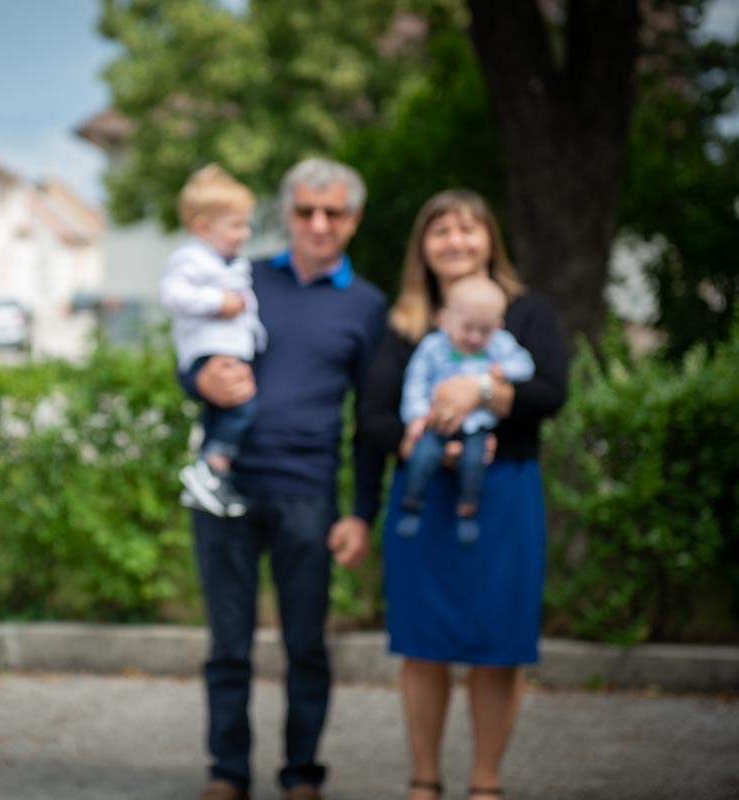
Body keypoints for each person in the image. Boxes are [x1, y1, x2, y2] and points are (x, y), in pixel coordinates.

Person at [353, 189, 568, 799]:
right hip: (424, 498)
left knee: (498, 643)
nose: (455, 241)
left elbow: (550, 391)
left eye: (468, 230)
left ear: (489, 240)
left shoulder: (526, 313)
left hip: (503, 496)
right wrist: (427, 443)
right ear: (423, 245)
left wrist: (481, 392)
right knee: (422, 643)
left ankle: (485, 783)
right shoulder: (404, 323)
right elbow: (371, 419)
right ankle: (424, 779)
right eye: (441, 231)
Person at [183, 158, 386, 800]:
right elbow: (193, 353)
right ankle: (228, 772)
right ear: (287, 214)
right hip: (227, 487)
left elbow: (372, 419)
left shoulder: (367, 304)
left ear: (353, 220)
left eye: (333, 213)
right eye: (305, 211)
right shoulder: (242, 278)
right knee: (228, 645)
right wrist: (198, 381)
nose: (318, 224)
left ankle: (302, 774)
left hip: (309, 491)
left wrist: (360, 511)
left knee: (306, 643)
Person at [160, 164, 267, 518]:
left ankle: (210, 478)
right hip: (209, 350)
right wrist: (219, 302)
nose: (245, 233)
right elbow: (173, 295)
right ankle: (210, 466)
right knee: (241, 406)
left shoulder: (226, 260)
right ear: (203, 226)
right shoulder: (191, 258)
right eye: (236, 225)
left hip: (228, 347)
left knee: (223, 413)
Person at [396, 275, 535, 544]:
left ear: (498, 326)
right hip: (435, 423)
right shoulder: (432, 347)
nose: (474, 337)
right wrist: (416, 416)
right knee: (422, 457)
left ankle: (467, 511)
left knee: (474, 463)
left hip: (476, 425)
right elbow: (415, 381)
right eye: (468, 328)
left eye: (485, 331)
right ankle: (412, 504)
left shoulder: (500, 345)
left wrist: (505, 370)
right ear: (445, 319)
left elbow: (526, 365)